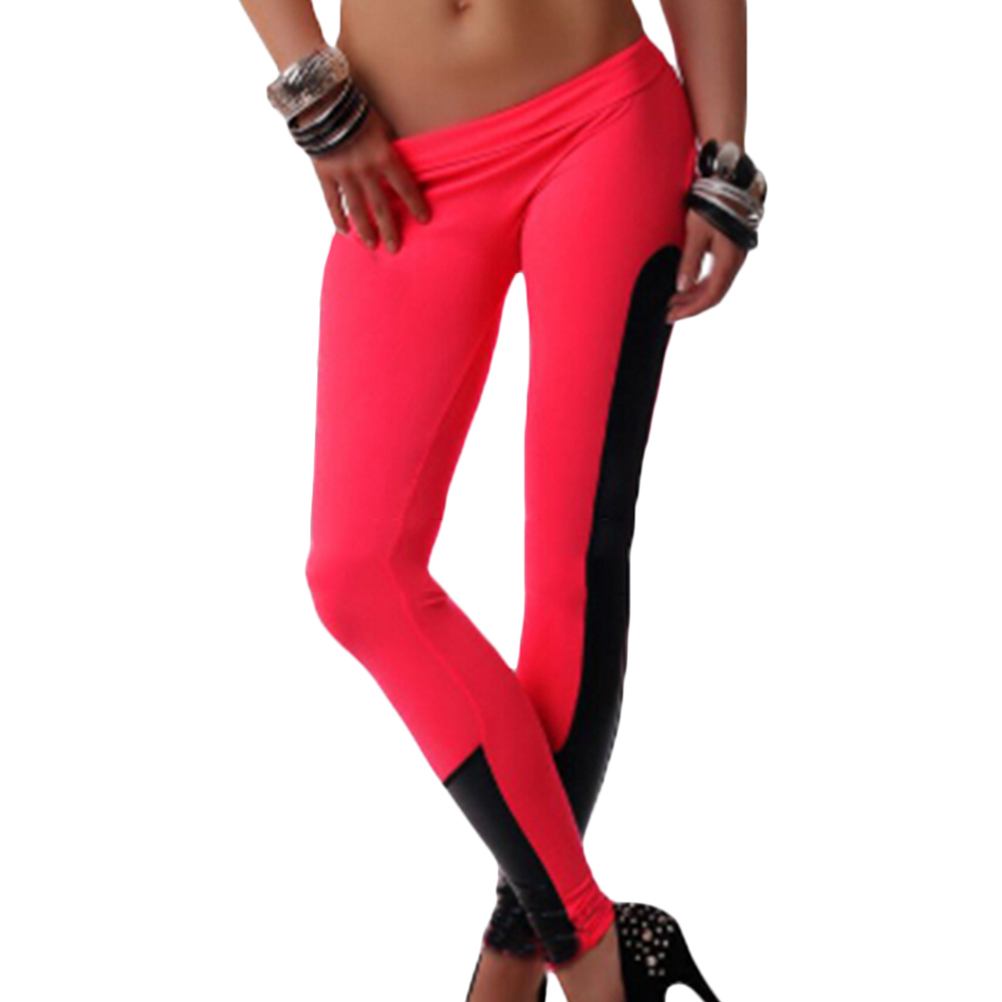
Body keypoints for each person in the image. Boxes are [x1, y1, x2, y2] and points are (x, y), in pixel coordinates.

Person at [237, 1, 765, 1000]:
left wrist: (724, 156)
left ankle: (513, 971)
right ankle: (599, 953)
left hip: (604, 122)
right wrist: (313, 92)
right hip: (395, 157)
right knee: (356, 573)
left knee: (572, 560)